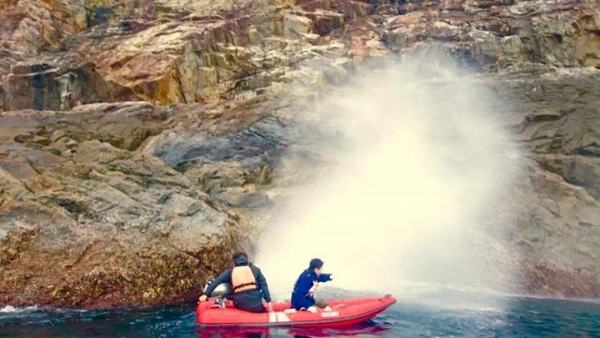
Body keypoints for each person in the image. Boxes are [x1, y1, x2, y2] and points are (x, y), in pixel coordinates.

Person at [199, 252, 273, 313]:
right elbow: (264, 286)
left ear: (234, 261)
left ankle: (221, 301)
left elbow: (216, 282)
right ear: (246, 260)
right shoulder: (256, 270)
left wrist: (206, 295)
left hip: (240, 305)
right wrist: (268, 302)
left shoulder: (230, 272)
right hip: (257, 306)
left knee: (227, 295)